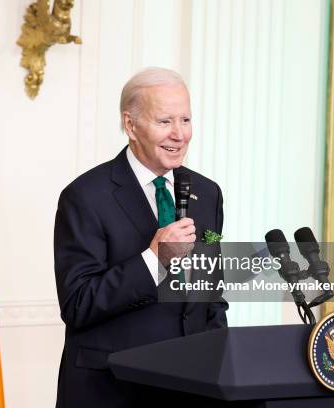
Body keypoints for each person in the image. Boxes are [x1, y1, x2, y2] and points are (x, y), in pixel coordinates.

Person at [54, 67, 228, 407]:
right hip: (112, 390)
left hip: (190, 389)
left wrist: (219, 363)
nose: (179, 134)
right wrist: (154, 260)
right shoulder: (85, 196)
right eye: (165, 122)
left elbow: (210, 296)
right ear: (131, 125)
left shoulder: (207, 194)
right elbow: (78, 304)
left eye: (186, 120)